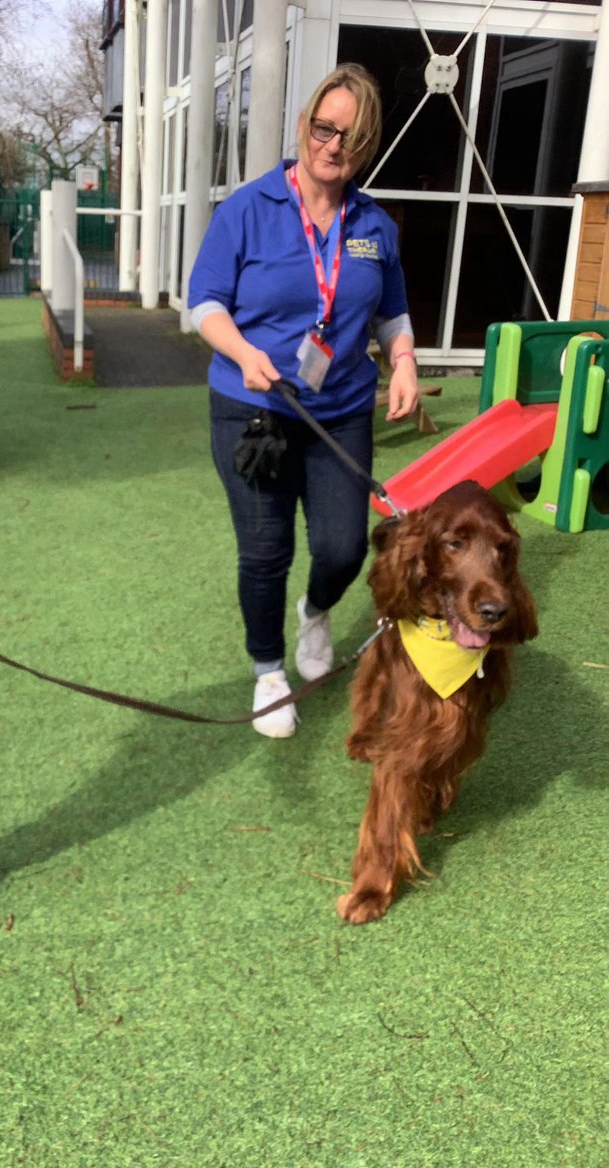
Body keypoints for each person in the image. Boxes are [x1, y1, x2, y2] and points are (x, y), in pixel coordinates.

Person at [188, 62, 419, 738]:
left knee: (344, 548)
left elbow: (393, 313)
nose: (333, 146)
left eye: (351, 136)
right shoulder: (247, 209)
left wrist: (404, 361)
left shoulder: (374, 226)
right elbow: (204, 303)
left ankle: (314, 614)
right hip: (253, 408)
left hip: (339, 411)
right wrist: (242, 352)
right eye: (324, 128)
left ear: (365, 146)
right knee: (265, 552)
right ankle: (269, 673)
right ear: (303, 125)